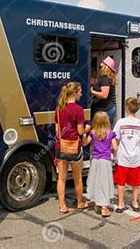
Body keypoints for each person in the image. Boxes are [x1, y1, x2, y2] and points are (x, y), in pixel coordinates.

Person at [55, 82, 90, 215]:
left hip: (61, 147)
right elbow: (80, 131)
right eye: (80, 91)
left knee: (61, 178)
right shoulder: (78, 109)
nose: (81, 94)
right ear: (74, 93)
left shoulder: (59, 108)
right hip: (74, 148)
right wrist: (87, 128)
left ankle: (62, 206)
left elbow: (57, 131)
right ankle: (80, 202)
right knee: (77, 178)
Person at [113, 97, 140, 213]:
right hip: (135, 158)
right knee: (135, 183)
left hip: (122, 158)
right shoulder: (139, 123)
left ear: (126, 108)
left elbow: (115, 137)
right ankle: (135, 202)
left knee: (120, 182)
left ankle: (121, 203)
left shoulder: (121, 122)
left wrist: (115, 149)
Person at [85, 111, 117, 217]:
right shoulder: (110, 133)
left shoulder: (93, 133)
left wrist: (84, 133)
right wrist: (111, 149)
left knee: (96, 181)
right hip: (105, 160)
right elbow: (115, 147)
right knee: (104, 182)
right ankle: (104, 207)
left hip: (95, 160)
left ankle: (97, 203)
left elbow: (85, 143)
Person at [91, 56, 117, 125]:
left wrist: (92, 92)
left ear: (106, 67)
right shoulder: (107, 78)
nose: (100, 68)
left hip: (105, 109)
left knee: (102, 130)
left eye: (101, 67)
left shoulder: (105, 79)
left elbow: (104, 95)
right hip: (107, 108)